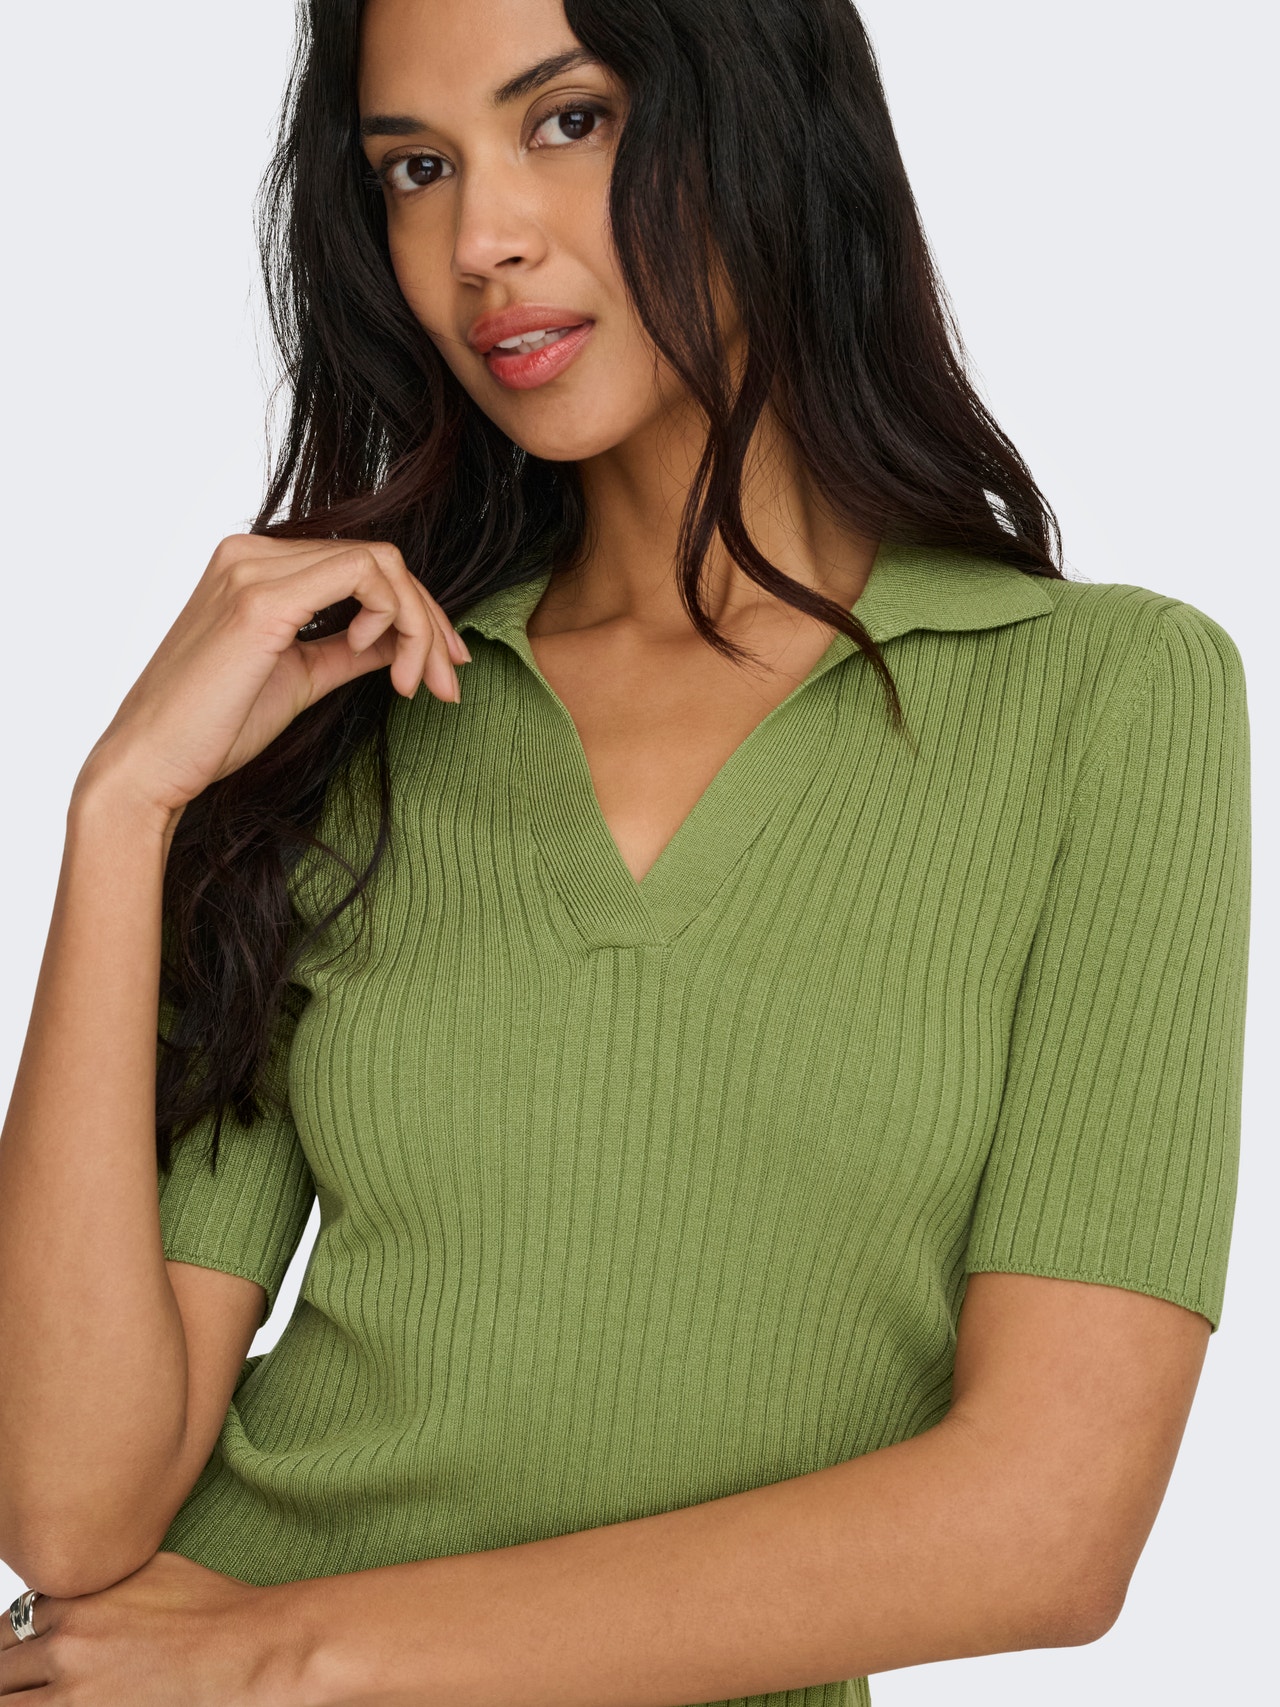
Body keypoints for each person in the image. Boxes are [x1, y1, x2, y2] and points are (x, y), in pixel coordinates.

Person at [0, 0, 1252, 1702]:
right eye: (416, 169)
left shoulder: (1106, 699)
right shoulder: (361, 706)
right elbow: (72, 1509)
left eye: (568, 121)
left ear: (767, 120)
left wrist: (285, 1658)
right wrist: (122, 808)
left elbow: (1048, 1526)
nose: (480, 240)